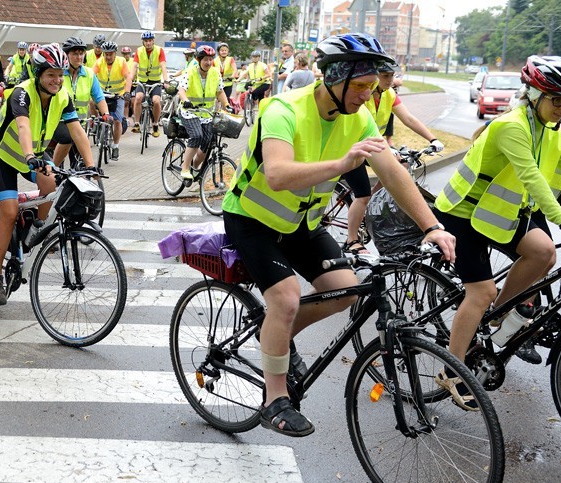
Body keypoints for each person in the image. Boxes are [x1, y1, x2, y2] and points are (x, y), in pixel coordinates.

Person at [221, 33, 455, 436]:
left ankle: (274, 333)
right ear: (335, 77)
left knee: (346, 290)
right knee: (286, 298)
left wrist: (431, 226)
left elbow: (393, 172)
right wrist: (342, 163)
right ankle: (274, 398)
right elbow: (276, 174)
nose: (369, 95)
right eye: (362, 85)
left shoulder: (358, 117)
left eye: (372, 85)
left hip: (301, 224)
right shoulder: (283, 109)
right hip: (253, 219)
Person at [435, 55, 561, 380]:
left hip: (495, 213)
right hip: (460, 213)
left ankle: (496, 314)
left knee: (544, 253)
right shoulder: (512, 126)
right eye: (557, 99)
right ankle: (452, 371)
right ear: (535, 95)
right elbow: (532, 179)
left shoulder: (550, 133)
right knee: (480, 293)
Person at [0, 43, 97, 307]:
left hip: (32, 153)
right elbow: (23, 126)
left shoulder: (62, 95)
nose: (57, 80)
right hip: (2, 154)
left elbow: (77, 130)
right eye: (50, 75)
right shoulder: (22, 94)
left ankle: (32, 233)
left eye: (60, 74)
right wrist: (30, 158)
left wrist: (90, 165)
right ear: (38, 74)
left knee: (54, 187)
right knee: (9, 212)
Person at [340, 60, 443, 254]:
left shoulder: (389, 95)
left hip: (374, 147)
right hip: (353, 148)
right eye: (385, 76)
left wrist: (433, 139)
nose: (390, 80)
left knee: (401, 166)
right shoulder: (364, 96)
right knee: (362, 195)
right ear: (375, 77)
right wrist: (387, 148)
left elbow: (409, 118)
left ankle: (370, 205)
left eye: (392, 76)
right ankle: (351, 240)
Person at [52, 37, 111, 165]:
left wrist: (105, 114)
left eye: (81, 53)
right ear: (66, 55)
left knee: (79, 163)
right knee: (66, 139)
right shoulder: (59, 73)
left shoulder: (89, 74)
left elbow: (99, 97)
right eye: (74, 54)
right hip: (59, 122)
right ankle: (52, 173)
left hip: (80, 124)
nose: (79, 57)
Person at [177, 45, 229, 187]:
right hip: (190, 112)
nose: (208, 62)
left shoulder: (215, 73)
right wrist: (186, 101)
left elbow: (220, 92)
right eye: (205, 59)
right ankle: (185, 167)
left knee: (207, 142)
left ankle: (195, 168)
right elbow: (181, 90)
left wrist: (227, 105)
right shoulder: (190, 72)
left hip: (206, 114)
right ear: (198, 60)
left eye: (210, 59)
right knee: (197, 136)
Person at [93, 41, 132, 160]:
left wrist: (127, 92)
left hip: (117, 95)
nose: (108, 57)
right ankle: (95, 122)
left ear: (115, 54)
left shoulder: (121, 62)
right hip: (102, 94)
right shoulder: (99, 62)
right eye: (106, 54)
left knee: (117, 121)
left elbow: (128, 77)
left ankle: (115, 146)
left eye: (110, 54)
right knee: (91, 103)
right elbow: (91, 75)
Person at [132, 31, 168, 137]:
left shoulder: (159, 50)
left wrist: (165, 80)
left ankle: (155, 124)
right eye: (146, 41)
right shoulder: (139, 51)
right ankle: (137, 123)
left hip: (155, 81)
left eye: (150, 41)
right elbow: (134, 66)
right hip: (142, 80)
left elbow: (163, 66)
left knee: (156, 101)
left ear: (153, 41)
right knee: (138, 98)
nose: (148, 43)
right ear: (143, 42)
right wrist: (131, 79)